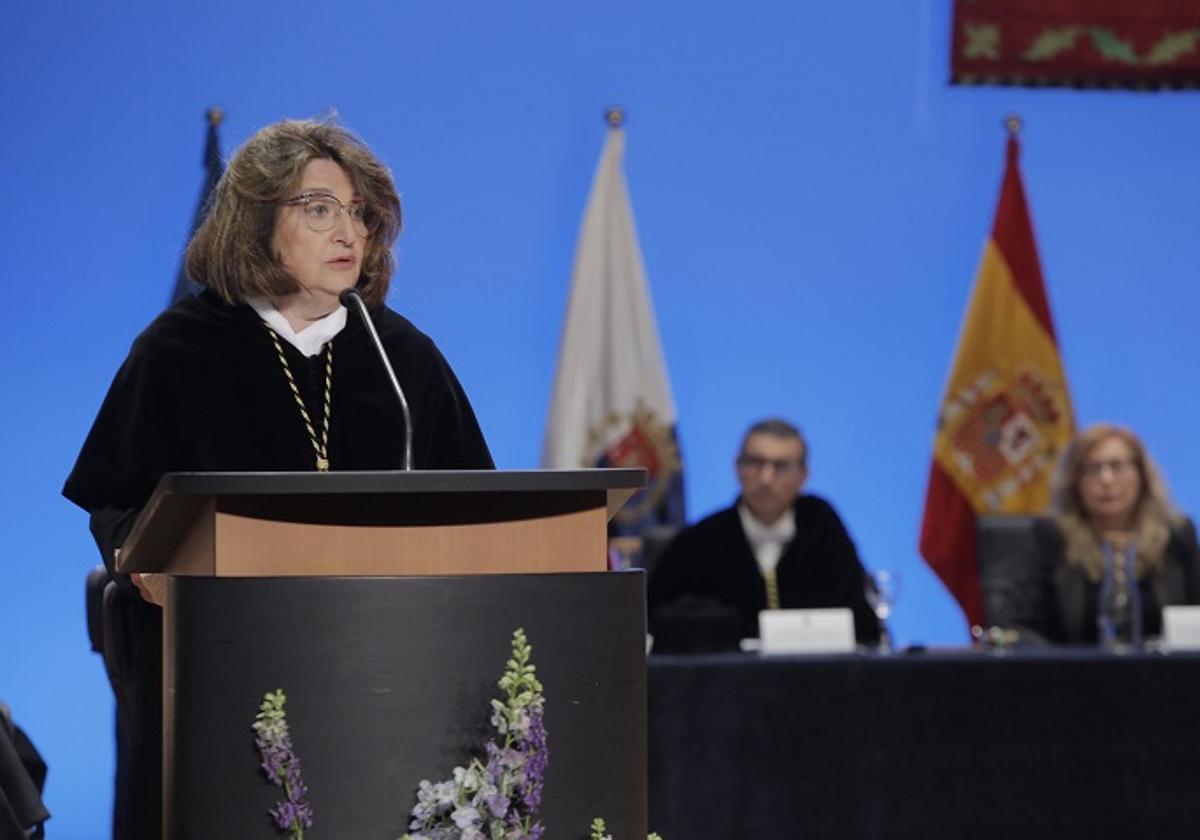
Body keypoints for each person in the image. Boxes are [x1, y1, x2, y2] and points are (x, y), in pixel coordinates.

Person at [62, 118, 493, 839]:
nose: (348, 232)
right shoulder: (180, 350)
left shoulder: (400, 357)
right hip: (221, 671)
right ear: (256, 221)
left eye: (360, 213)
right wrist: (140, 559)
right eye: (320, 208)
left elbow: (475, 503)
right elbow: (114, 498)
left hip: (384, 664)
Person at [646, 418, 881, 646]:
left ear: (803, 476)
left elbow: (865, 626)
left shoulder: (823, 529)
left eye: (780, 466)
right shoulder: (701, 541)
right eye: (755, 462)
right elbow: (656, 628)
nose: (766, 478)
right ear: (737, 467)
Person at [1010, 423, 1200, 645]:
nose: (1106, 479)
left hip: (1166, 676)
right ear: (1075, 481)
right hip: (1072, 676)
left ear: (1141, 475)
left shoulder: (1176, 536)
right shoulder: (1052, 537)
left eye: (1117, 466)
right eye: (1093, 469)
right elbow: (1021, 627)